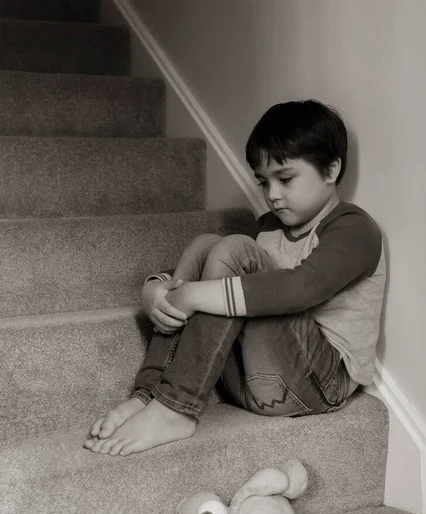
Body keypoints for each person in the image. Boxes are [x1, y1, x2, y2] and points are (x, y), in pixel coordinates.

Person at [84, 99, 386, 457]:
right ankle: (150, 394)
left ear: (331, 169)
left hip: (319, 386)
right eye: (263, 182)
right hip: (249, 379)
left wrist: (194, 296)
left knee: (233, 250)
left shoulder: (353, 228)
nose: (272, 195)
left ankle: (175, 408)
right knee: (207, 245)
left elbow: (300, 288)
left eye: (286, 178)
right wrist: (156, 287)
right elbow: (218, 275)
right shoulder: (269, 230)